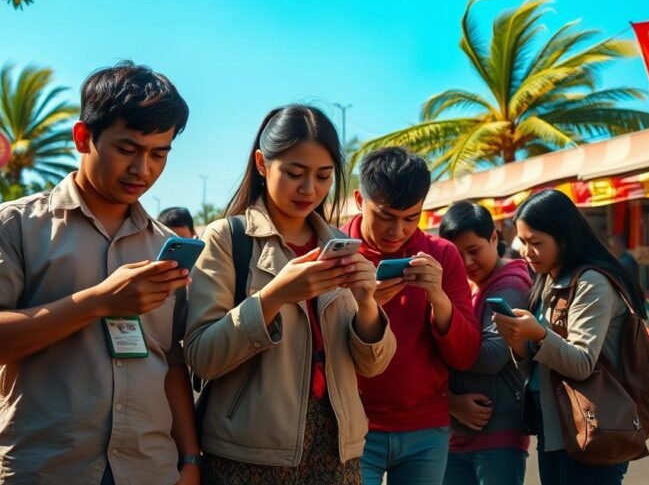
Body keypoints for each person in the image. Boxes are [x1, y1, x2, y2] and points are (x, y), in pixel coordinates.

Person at [0, 62, 200, 485]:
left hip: (149, 468)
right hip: (47, 467)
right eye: (128, 149)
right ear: (83, 137)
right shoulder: (14, 226)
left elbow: (171, 360)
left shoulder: (164, 245)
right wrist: (96, 302)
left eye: (159, 154)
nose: (143, 170)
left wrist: (190, 460)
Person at [185, 105, 395, 485]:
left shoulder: (340, 244)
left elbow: (372, 366)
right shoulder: (226, 239)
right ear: (262, 164)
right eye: (295, 173)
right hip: (248, 456)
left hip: (338, 454)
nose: (309, 189)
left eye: (323, 176)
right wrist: (273, 297)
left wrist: (367, 303)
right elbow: (202, 356)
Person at [341, 147, 480, 485]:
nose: (397, 231)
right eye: (386, 216)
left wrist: (438, 298)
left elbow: (465, 355)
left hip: (425, 430)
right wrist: (366, 306)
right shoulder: (336, 250)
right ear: (360, 199)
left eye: (411, 218)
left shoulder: (441, 255)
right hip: (350, 427)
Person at [491, 189, 646, 485]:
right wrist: (519, 345)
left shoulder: (591, 282)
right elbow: (542, 365)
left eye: (536, 243)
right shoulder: (549, 279)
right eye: (523, 242)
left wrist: (537, 333)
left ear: (564, 238)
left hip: (591, 431)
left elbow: (582, 363)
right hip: (556, 426)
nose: (526, 252)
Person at [438, 201, 532, 485]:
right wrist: (450, 403)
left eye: (474, 250)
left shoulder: (511, 285)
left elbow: (492, 355)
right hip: (456, 432)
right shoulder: (462, 285)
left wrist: (442, 333)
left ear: (494, 238)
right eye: (456, 254)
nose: (466, 263)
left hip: (498, 436)